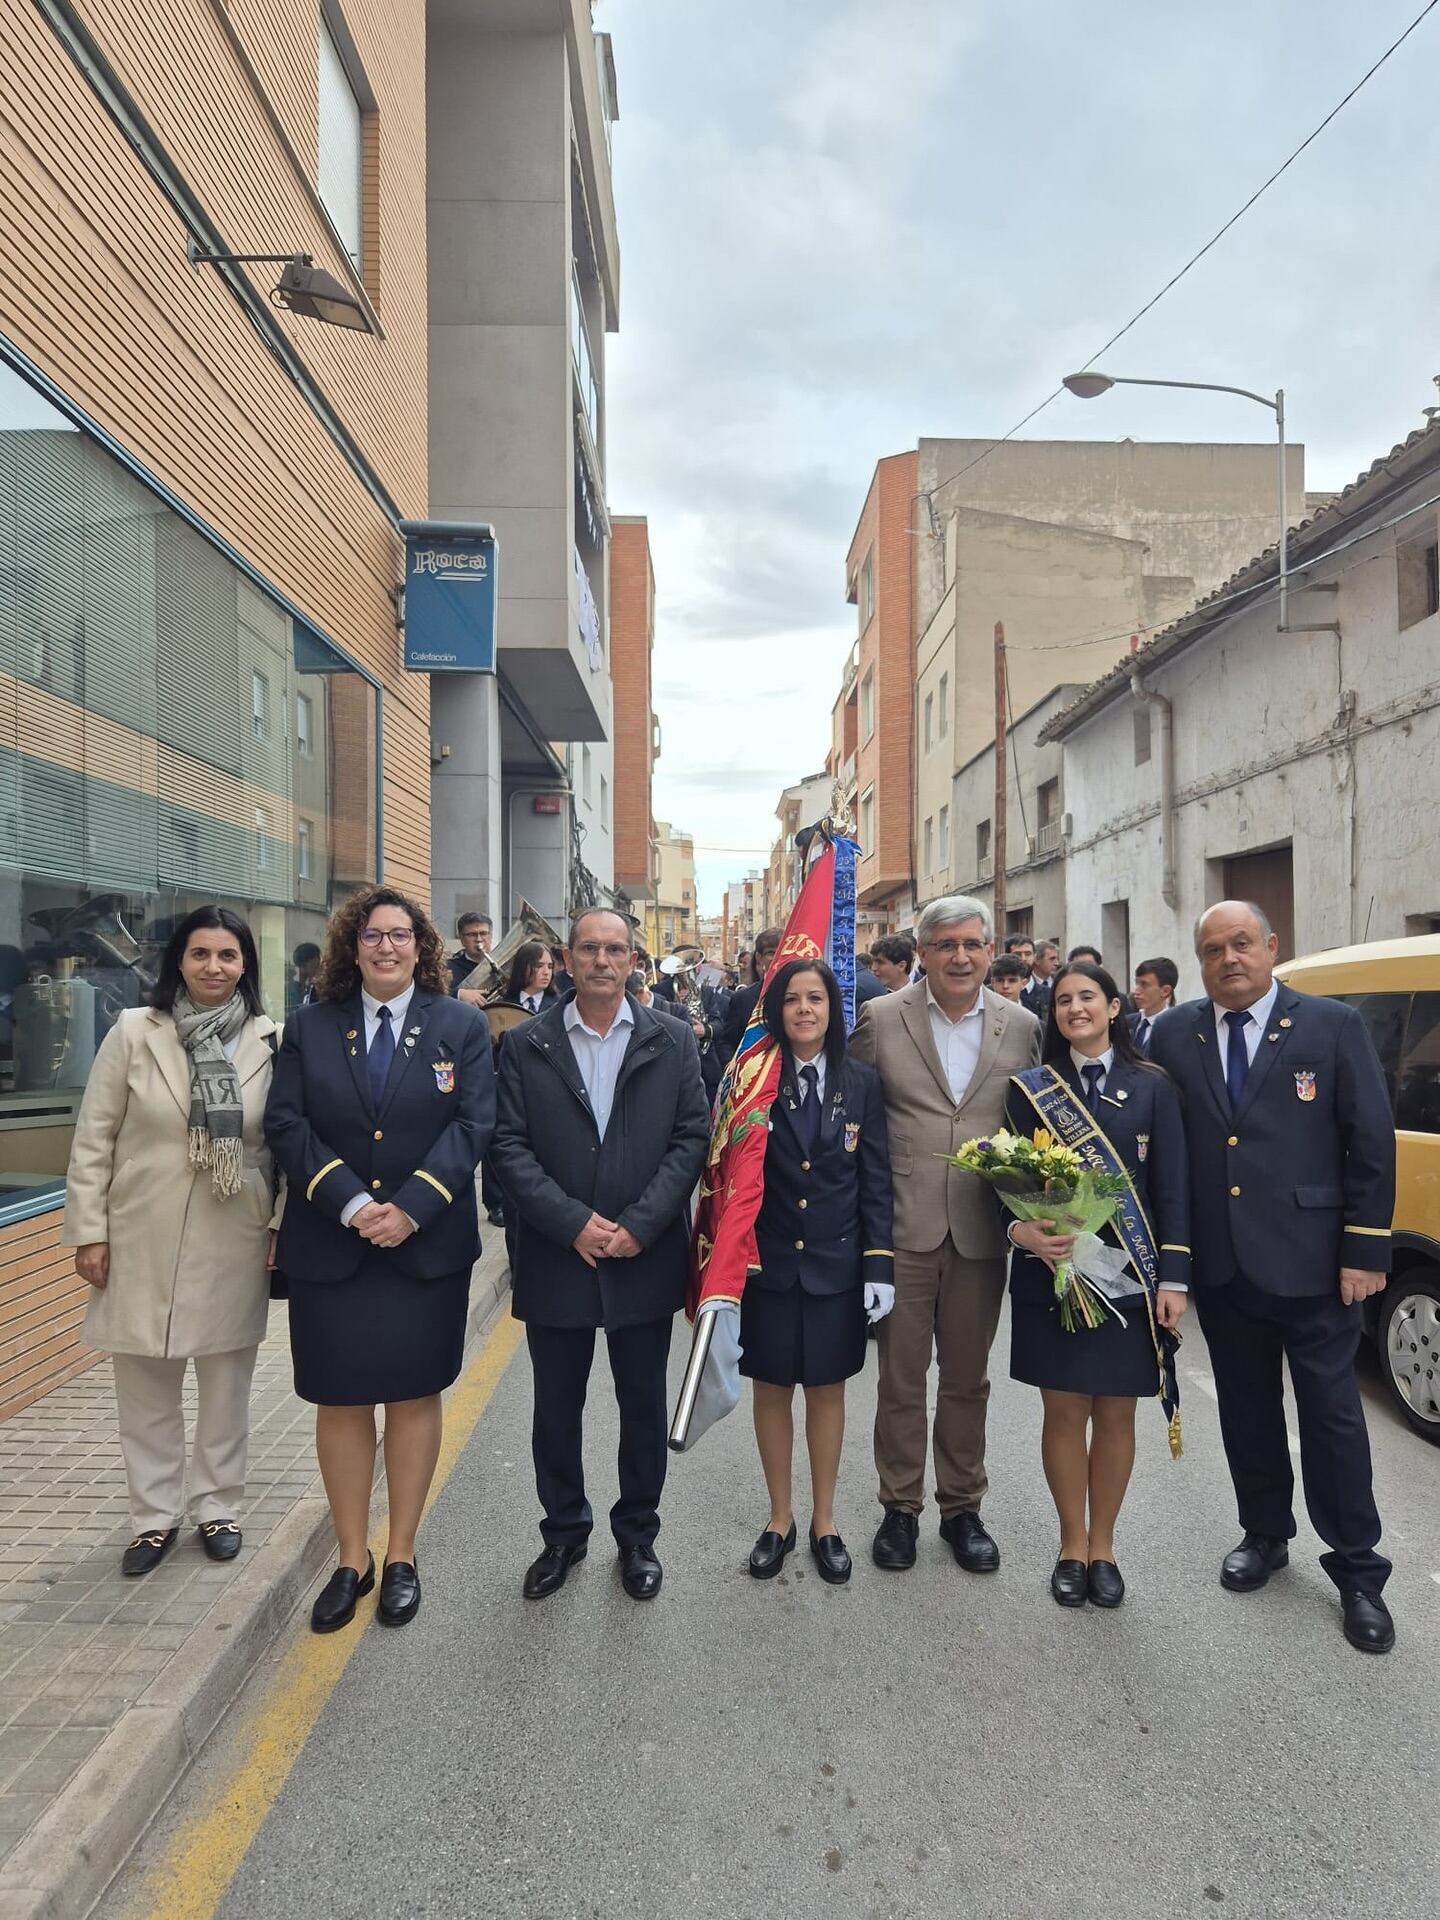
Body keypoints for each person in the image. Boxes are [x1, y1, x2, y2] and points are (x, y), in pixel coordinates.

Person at [1149, 900, 1397, 1654]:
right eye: (1214, 949)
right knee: (1247, 1415)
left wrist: (1364, 1250)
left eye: (1243, 944)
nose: (1230, 959)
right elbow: (1173, 1155)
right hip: (1226, 1272)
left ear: (1271, 947)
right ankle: (1264, 1533)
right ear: (1199, 961)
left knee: (1332, 1423)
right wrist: (1177, 1265)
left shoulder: (1330, 1026)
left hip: (1317, 1268)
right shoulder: (1174, 1032)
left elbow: (1372, 1141)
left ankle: (1358, 1571)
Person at [265, 886, 494, 1633]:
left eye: (400, 935)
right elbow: (288, 1124)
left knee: (412, 1394)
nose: (387, 947)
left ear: (420, 946)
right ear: (351, 947)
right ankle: (350, 1557)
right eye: (373, 936)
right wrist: (354, 1205)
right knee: (340, 1398)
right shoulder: (310, 1025)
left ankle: (401, 1554)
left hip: (424, 1247)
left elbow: (474, 1125)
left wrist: (414, 1207)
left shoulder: (458, 1023)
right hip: (334, 1242)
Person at [491, 907, 710, 1603]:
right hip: (559, 1256)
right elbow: (508, 1146)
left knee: (641, 1403)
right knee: (556, 1406)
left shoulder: (671, 1040)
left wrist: (641, 1226)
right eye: (589, 948)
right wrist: (572, 1223)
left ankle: (637, 1535)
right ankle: (563, 1533)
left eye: (615, 949)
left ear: (632, 960)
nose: (602, 961)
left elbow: (690, 1139)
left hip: (642, 1255)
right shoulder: (529, 1044)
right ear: (566, 958)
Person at [62, 907, 278, 1577]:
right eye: (200, 954)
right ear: (177, 962)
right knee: (145, 1385)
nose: (214, 967)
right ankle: (152, 1519)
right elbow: (94, 1137)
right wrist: (88, 1232)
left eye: (228, 955)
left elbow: (284, 1145)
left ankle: (217, 1506)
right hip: (140, 1233)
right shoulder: (135, 1031)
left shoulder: (271, 1039)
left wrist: (279, 1227)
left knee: (225, 1387)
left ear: (246, 966)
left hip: (232, 1231)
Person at [850, 895, 1041, 1573]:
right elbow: (857, 1119)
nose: (960, 957)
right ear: (922, 953)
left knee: (967, 1379)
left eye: (972, 944)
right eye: (946, 945)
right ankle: (899, 1509)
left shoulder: (1021, 1026)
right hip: (902, 1229)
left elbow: (1032, 1126)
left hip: (983, 1233)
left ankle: (963, 1508)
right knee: (900, 1381)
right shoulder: (877, 1019)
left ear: (990, 952)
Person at [1004, 962, 1189, 1608]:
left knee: (1114, 1413)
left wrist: (1176, 1278)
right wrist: (1021, 1233)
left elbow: (1172, 1190)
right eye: (1063, 1000)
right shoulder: (1030, 1091)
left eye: (1088, 998)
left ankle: (1104, 1546)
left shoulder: (1154, 1088)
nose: (1075, 1008)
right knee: (1063, 1411)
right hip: (1054, 1270)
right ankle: (1071, 1543)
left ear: (1114, 1008)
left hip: (1130, 1276)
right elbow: (1007, 1183)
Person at [743, 960, 893, 1585]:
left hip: (837, 1266)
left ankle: (825, 1521)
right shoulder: (753, 1082)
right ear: (776, 1010)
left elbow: (875, 1178)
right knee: (773, 1390)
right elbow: (730, 1180)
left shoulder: (861, 1083)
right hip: (769, 1265)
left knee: (827, 1392)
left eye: (817, 999)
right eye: (793, 1000)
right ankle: (780, 1518)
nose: (805, 1009)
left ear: (833, 1010)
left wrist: (878, 1264)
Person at [719, 926, 783, 1061]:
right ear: (759, 958)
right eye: (771, 952)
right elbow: (727, 1043)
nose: (777, 957)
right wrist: (737, 1072)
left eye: (782, 951)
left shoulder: (802, 996)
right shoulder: (742, 999)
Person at [1130, 956, 1179, 1053]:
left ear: (1165, 991)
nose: (1136, 991)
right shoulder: (1127, 1023)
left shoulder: (1178, 1029)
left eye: (1144, 985)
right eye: (1137, 984)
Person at [505, 940, 556, 1015]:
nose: (546, 972)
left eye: (550, 967)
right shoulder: (505, 1005)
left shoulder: (560, 1005)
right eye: (539, 966)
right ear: (523, 967)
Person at [448, 913, 493, 995]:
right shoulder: (448, 968)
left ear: (491, 936)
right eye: (472, 935)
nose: (479, 939)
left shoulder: (503, 966)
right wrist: (459, 994)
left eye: (483, 933)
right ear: (462, 939)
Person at [1023, 940, 1059, 1020]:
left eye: (1057, 958)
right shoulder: (1025, 985)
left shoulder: (1060, 982)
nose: (1057, 963)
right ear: (1037, 960)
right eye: (1052, 959)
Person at [288, 941, 322, 1014]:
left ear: (316, 960)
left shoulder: (326, 986)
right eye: (300, 967)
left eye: (304, 966)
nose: (302, 971)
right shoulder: (300, 988)